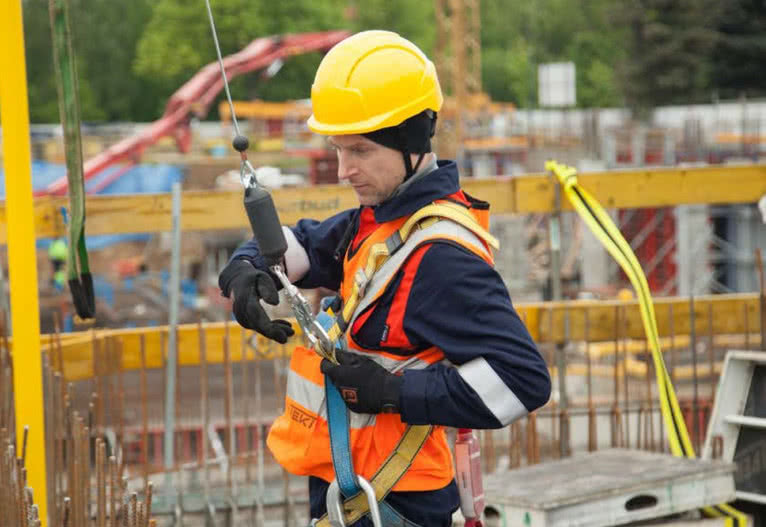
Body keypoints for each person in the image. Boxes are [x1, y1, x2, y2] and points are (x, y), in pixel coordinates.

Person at [219, 30, 551, 526]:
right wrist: (246, 268)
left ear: (413, 142)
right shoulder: (379, 219)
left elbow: (524, 381)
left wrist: (393, 393)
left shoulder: (440, 257)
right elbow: (305, 244)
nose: (342, 170)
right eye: (337, 149)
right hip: (357, 495)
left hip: (401, 504)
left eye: (360, 151)